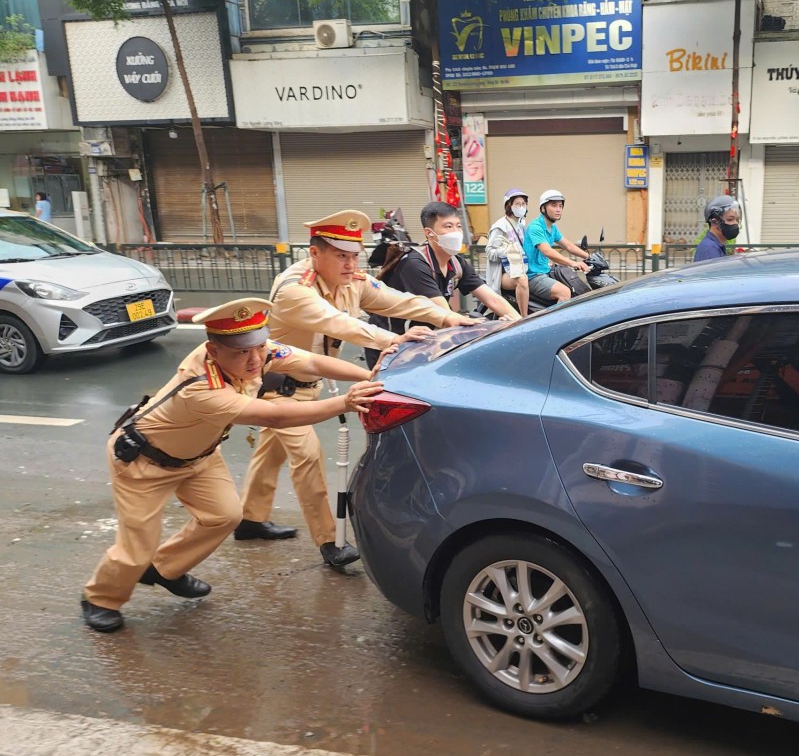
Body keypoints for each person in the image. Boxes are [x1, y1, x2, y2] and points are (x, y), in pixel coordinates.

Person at [81, 298, 389, 633]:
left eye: (257, 347)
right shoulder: (199, 388)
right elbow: (275, 416)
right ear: (213, 351)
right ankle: (101, 598)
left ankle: (164, 569)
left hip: (200, 456)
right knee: (136, 546)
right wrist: (345, 401)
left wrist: (373, 377)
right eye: (241, 352)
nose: (255, 359)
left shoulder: (257, 350)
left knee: (225, 516)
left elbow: (313, 362)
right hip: (144, 462)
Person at [236, 210, 473, 568]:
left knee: (271, 452)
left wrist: (448, 317)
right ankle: (330, 540)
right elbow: (341, 324)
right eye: (340, 255)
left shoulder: (351, 280)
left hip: (308, 383)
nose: (350, 264)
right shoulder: (294, 290)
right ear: (315, 254)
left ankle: (250, 520)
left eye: (354, 255)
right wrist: (395, 339)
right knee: (308, 456)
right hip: (275, 388)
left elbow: (397, 300)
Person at [364, 201, 518, 366]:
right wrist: (493, 328)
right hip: (392, 346)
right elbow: (445, 315)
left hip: (422, 342)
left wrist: (518, 324)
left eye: (458, 226)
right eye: (448, 226)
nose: (456, 232)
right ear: (429, 233)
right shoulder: (414, 264)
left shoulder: (457, 263)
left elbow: (492, 299)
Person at [523, 189, 590, 306]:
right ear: (543, 208)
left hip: (545, 271)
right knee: (564, 293)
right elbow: (547, 251)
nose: (558, 209)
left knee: (575, 287)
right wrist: (573, 263)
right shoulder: (536, 227)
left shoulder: (552, 228)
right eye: (554, 205)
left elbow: (568, 246)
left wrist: (589, 257)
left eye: (560, 206)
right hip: (533, 276)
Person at [485, 188, 531, 317]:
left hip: (520, 266)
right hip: (504, 273)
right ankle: (524, 317)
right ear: (509, 206)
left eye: (523, 204)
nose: (521, 207)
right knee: (522, 279)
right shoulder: (500, 226)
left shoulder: (521, 226)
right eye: (517, 204)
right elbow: (489, 251)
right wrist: (505, 251)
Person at [694, 196, 741, 262]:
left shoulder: (716, 245)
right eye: (730, 219)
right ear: (714, 222)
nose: (735, 223)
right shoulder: (710, 249)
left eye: (737, 219)